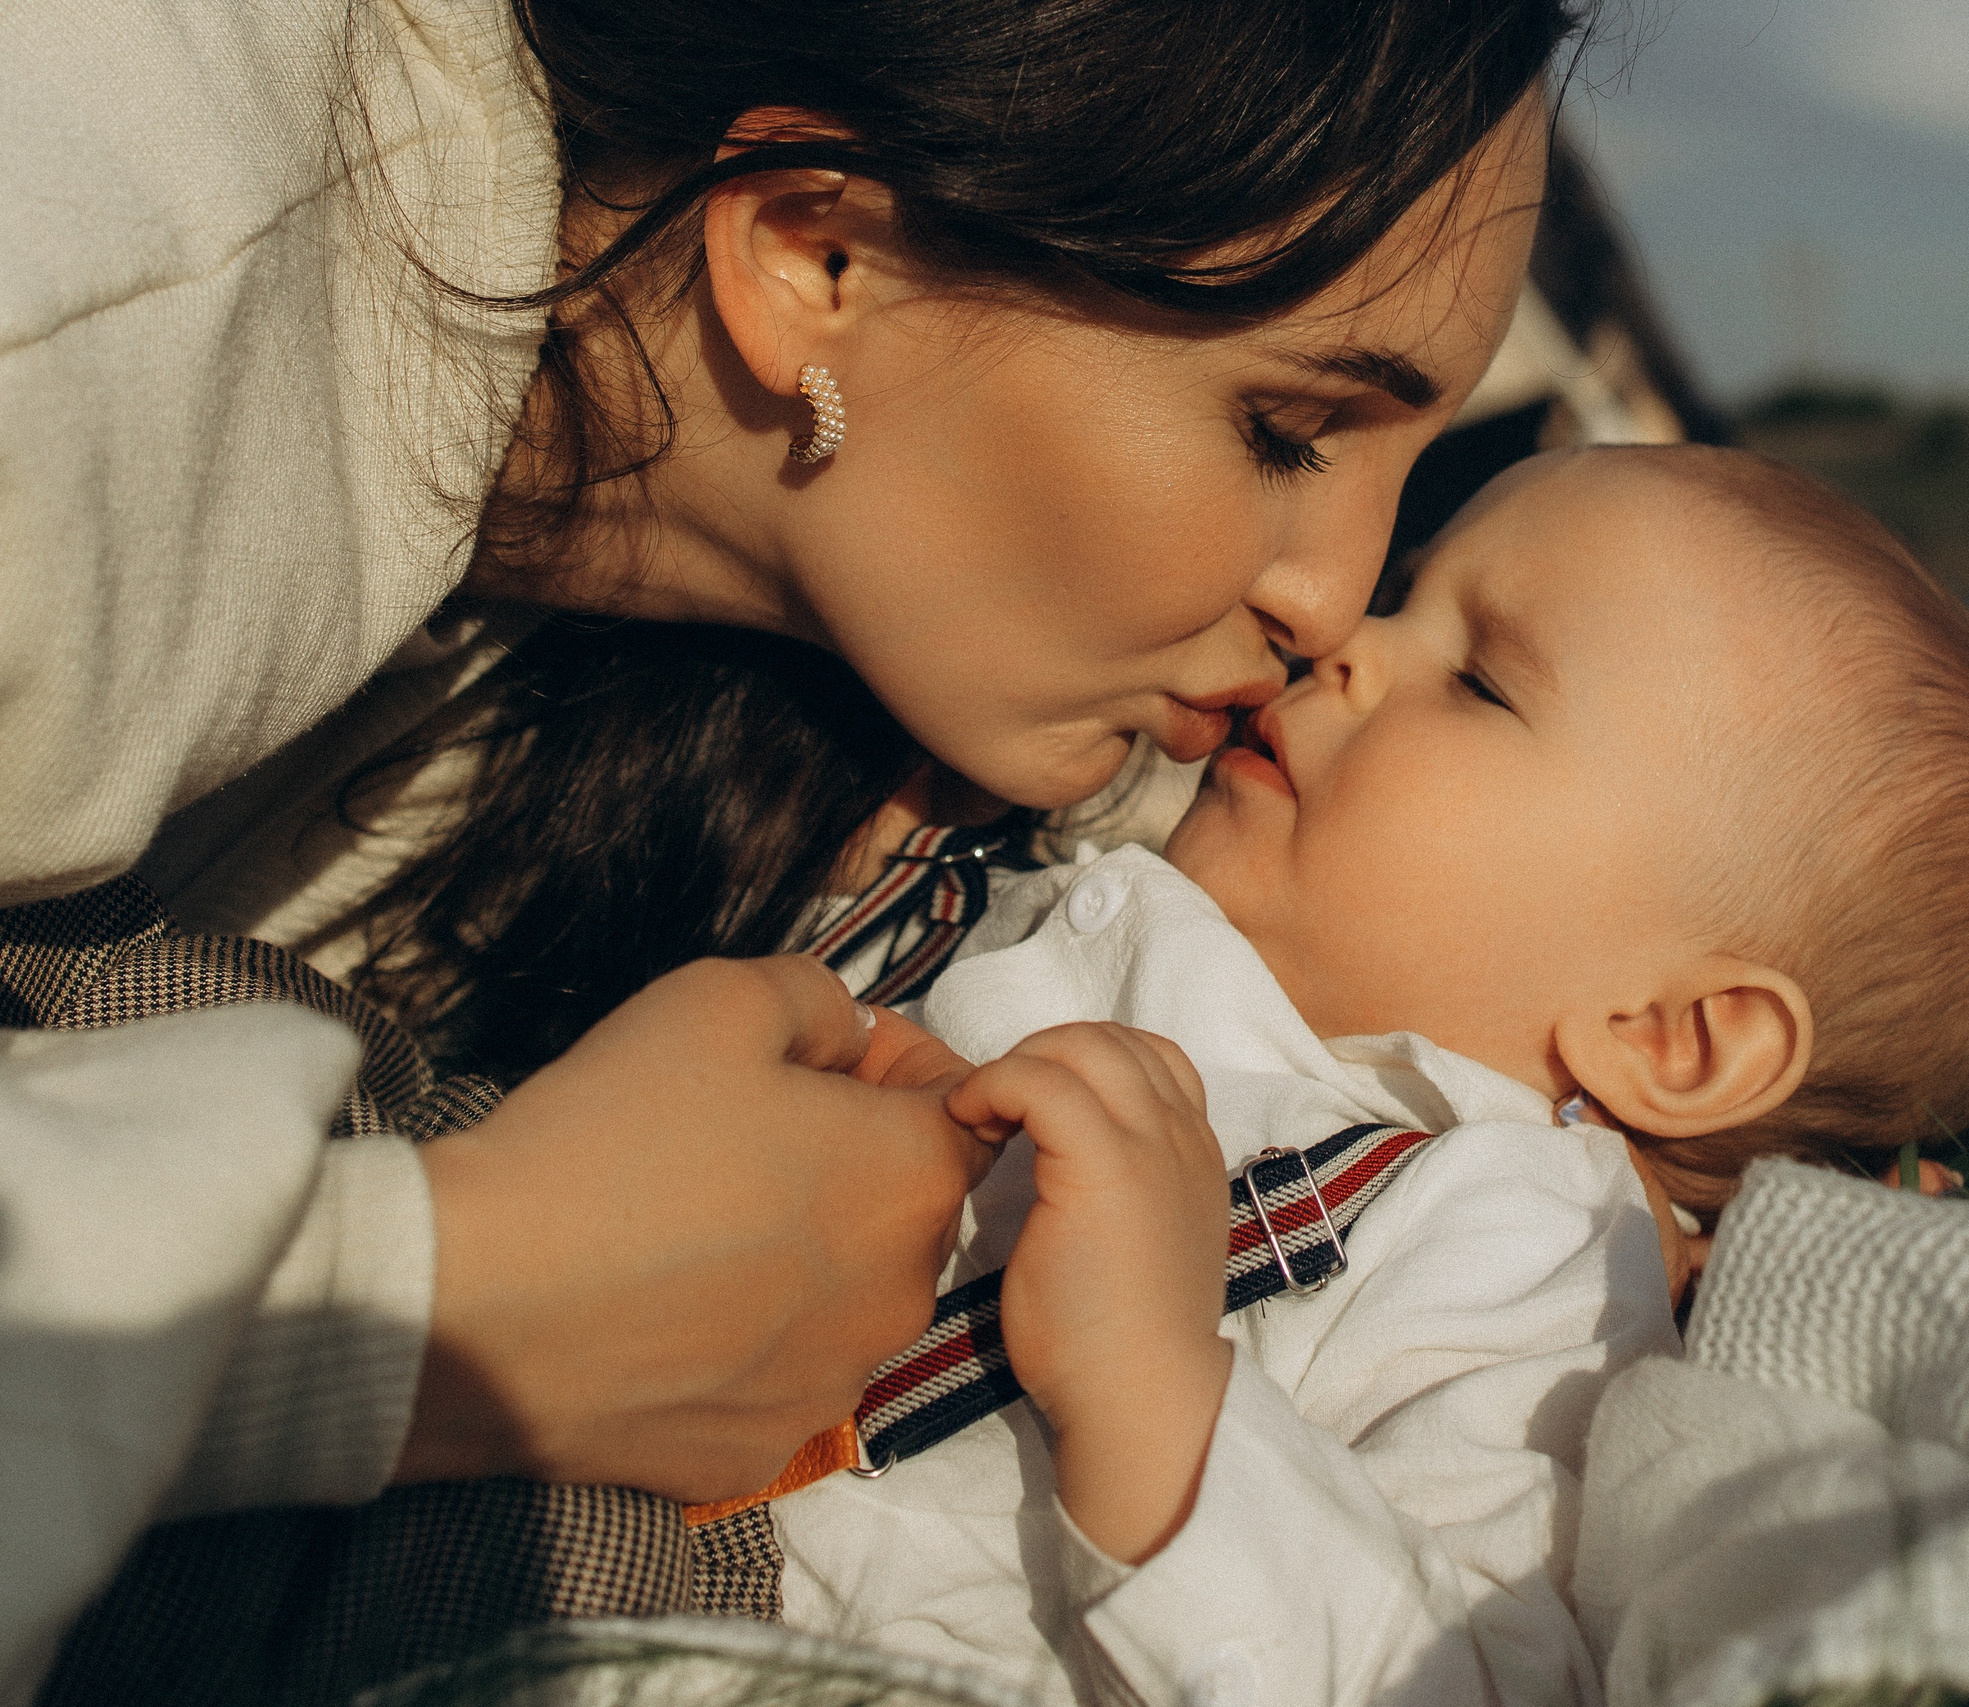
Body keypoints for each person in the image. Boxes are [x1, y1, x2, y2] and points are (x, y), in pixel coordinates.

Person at [0, 0, 1573, 1693]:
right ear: (817, 255)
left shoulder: (830, 705)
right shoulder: (89, 284)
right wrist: (444, 1298)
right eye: (1285, 430)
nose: (1337, 595)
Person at [742, 446, 1969, 1702]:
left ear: (1672, 1035)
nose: (1349, 645)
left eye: (1482, 679)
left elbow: (1456, 1672)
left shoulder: (1508, 1242)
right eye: (1403, 598)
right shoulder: (1099, 897)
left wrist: (1149, 1391)